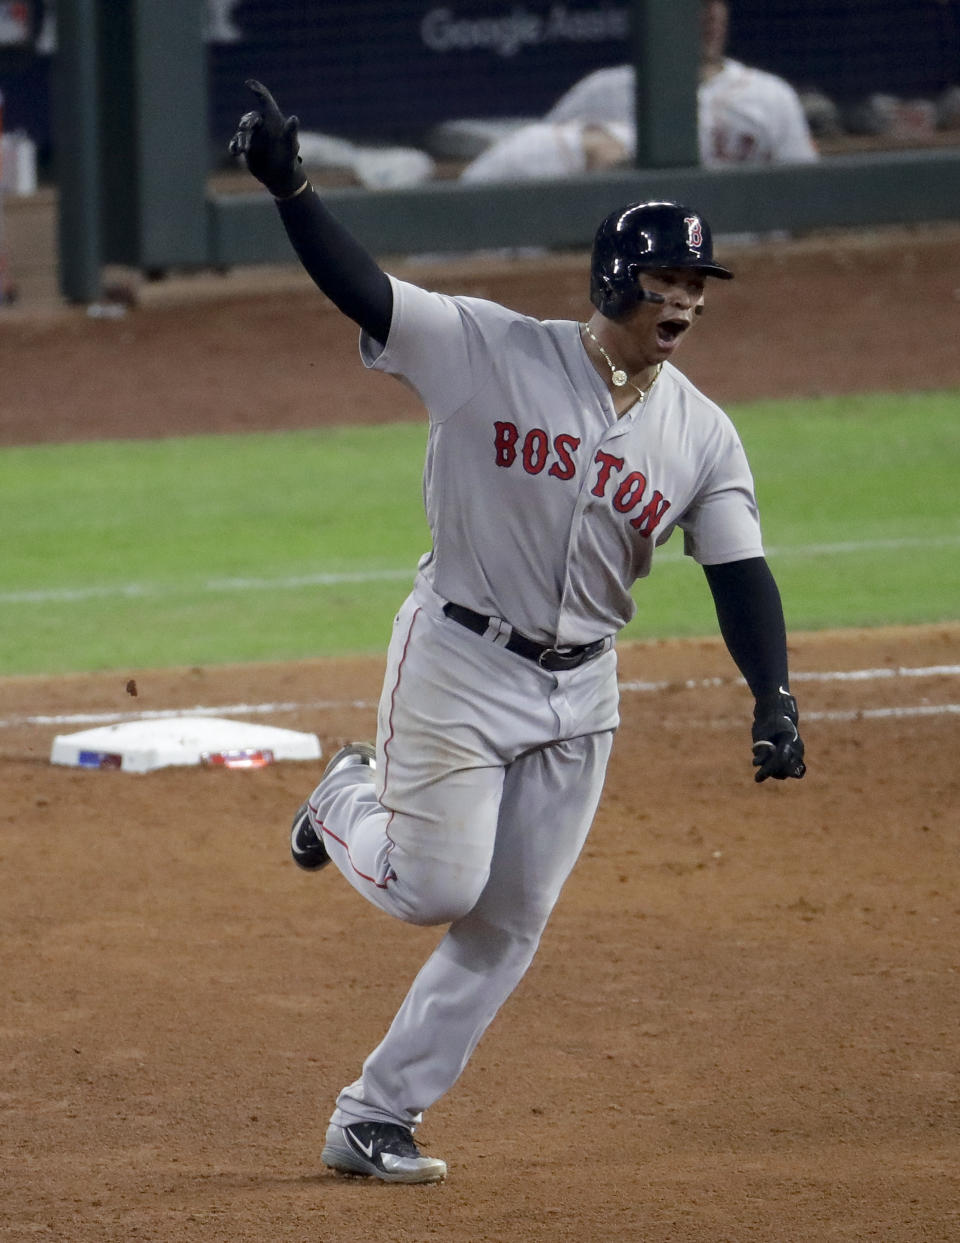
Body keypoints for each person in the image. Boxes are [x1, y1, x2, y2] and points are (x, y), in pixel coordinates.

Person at [229, 79, 807, 1185]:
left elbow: (741, 571)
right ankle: (342, 794)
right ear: (610, 280)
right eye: (664, 281)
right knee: (435, 888)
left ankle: (374, 1114)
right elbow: (366, 292)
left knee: (509, 919)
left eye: (697, 284)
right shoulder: (485, 349)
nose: (682, 301)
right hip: (457, 657)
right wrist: (292, 189)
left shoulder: (702, 434)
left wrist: (773, 694)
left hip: (581, 695)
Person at [459, 0, 818, 183]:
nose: (710, 16)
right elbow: (537, 163)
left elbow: (808, 203)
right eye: (696, 6)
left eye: (717, 4)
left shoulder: (771, 96)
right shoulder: (602, 90)